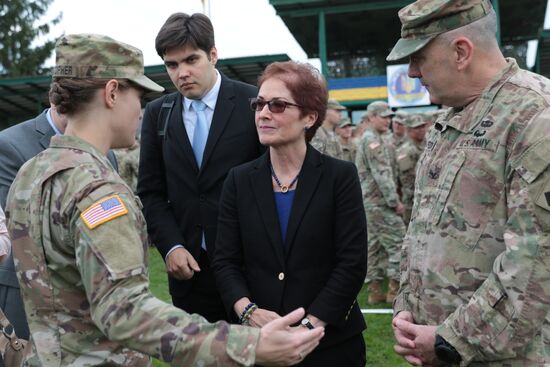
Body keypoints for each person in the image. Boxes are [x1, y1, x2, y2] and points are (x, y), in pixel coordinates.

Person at [5, 33, 324, 367]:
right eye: (138, 95)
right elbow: (125, 311)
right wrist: (249, 346)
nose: (141, 110)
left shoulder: (31, 173)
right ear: (113, 92)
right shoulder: (97, 189)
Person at [387, 0, 550, 365]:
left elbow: (537, 263)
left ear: (461, 52)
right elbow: (421, 228)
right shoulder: (449, 121)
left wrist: (450, 341)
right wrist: (406, 306)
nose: (411, 72)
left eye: (418, 58)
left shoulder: (537, 118)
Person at [212, 61, 368, 366]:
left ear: (309, 117)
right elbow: (225, 260)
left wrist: (309, 327)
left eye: (278, 105)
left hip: (330, 345)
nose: (264, 113)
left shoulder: (340, 176)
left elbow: (351, 263)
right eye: (259, 104)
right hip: (260, 343)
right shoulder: (239, 180)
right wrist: (249, 312)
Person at [137, 13, 264, 322]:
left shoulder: (254, 103)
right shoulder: (158, 114)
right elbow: (151, 192)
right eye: (172, 65)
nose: (182, 73)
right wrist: (171, 247)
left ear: (213, 55)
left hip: (251, 264)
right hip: (190, 270)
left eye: (191, 60)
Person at [0, 103, 118, 366]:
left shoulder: (105, 153)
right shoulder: (10, 145)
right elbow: (22, 224)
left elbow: (112, 215)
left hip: (89, 294)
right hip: (27, 296)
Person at [355, 101, 405, 305]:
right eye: (383, 116)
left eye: (389, 116)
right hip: (380, 202)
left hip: (373, 201)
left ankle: (375, 292)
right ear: (372, 117)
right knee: (400, 242)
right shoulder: (371, 140)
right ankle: (394, 291)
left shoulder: (378, 138)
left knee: (374, 247)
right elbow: (382, 174)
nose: (388, 120)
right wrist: (395, 202)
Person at [395, 114, 429, 225]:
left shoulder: (428, 145)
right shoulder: (405, 150)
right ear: (409, 130)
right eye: (417, 128)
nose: (421, 130)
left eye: (423, 127)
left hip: (428, 196)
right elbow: (407, 179)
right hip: (413, 199)